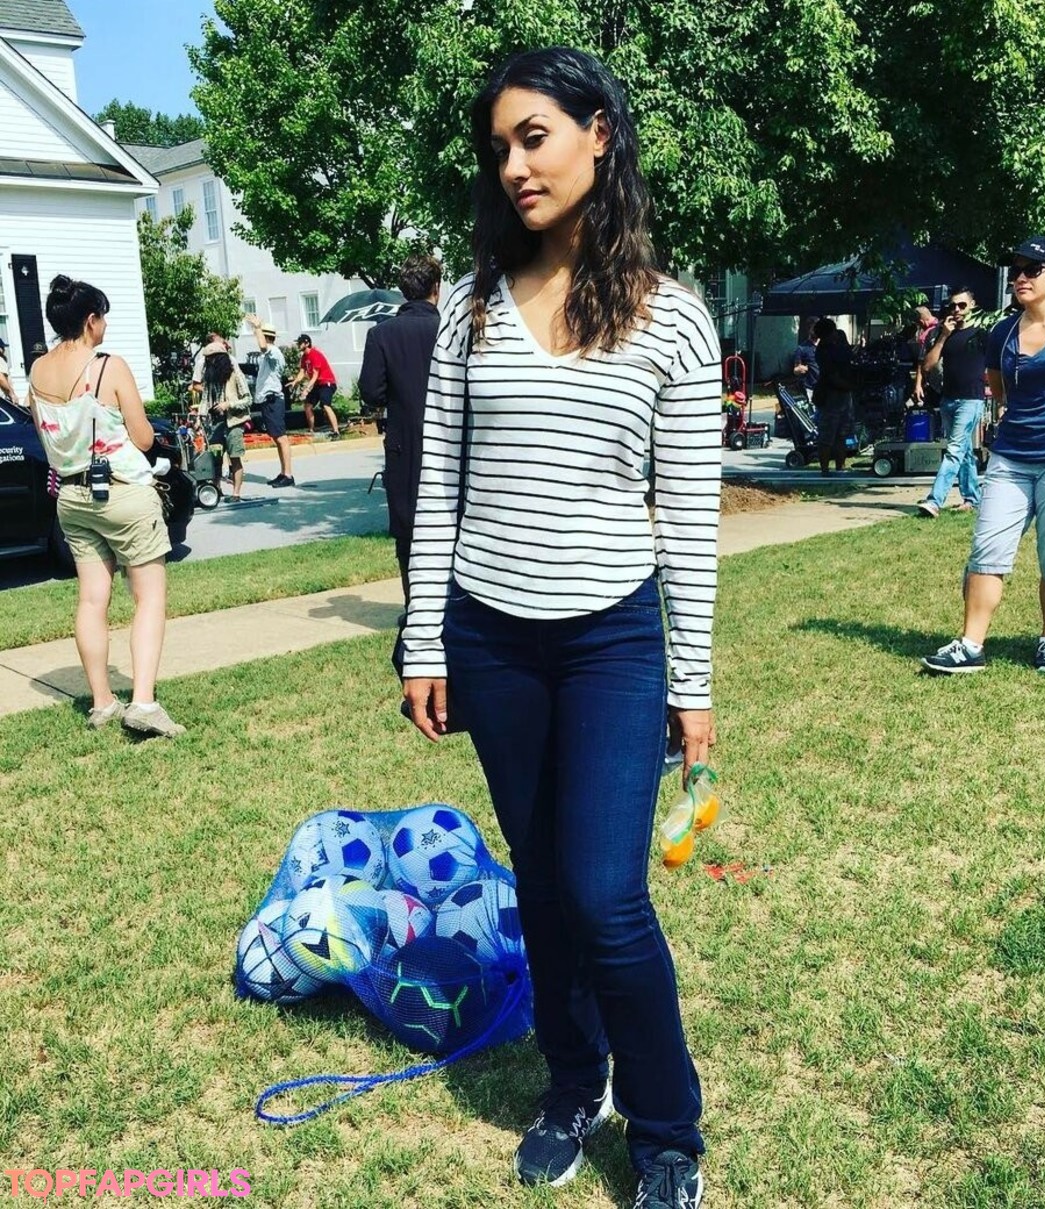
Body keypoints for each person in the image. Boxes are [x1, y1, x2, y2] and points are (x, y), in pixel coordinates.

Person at [401, 47, 722, 1209]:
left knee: (606, 896)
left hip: (610, 645)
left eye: (533, 137)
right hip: (491, 639)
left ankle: (668, 1129)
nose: (514, 166)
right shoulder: (470, 309)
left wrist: (693, 682)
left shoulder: (675, 319)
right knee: (541, 886)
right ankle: (572, 1083)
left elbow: (689, 520)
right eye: (499, 148)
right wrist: (424, 641)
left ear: (599, 133)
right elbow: (439, 488)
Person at [25, 275, 184, 737]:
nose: (106, 326)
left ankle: (102, 701)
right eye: (104, 317)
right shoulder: (108, 367)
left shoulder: (37, 371)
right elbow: (143, 437)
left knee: (92, 599)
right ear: (91, 320)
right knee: (148, 596)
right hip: (122, 491)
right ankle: (144, 703)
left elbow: (45, 435)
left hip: (72, 496)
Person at [922, 236, 1045, 676]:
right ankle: (971, 644)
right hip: (1011, 457)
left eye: (1033, 269)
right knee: (987, 549)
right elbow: (998, 386)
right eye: (1016, 270)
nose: (1021, 278)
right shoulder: (1003, 332)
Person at [359, 253, 442, 602]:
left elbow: (371, 391)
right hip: (451, 442)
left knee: (408, 531)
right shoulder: (451, 330)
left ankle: (415, 604)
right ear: (436, 288)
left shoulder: (381, 334)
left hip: (404, 445)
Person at [916, 287, 986, 517]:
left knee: (954, 450)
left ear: (972, 306)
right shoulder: (943, 333)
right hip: (948, 399)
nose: (957, 310)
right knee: (963, 451)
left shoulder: (981, 333)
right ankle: (972, 498)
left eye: (962, 305)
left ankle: (934, 501)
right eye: (953, 305)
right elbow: (927, 365)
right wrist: (944, 336)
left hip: (971, 399)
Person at [246, 315, 293, 487]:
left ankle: (288, 474)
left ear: (265, 336)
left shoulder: (273, 351)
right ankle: (283, 472)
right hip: (268, 400)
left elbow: (263, 347)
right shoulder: (268, 355)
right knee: (277, 437)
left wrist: (257, 327)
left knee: (281, 438)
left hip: (273, 400)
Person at [201, 346, 252, 501]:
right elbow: (205, 400)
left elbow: (248, 399)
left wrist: (228, 404)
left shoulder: (236, 374)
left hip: (234, 422)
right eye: (208, 359)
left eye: (212, 358)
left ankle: (236, 493)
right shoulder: (209, 377)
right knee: (215, 457)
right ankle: (217, 489)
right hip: (216, 422)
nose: (210, 362)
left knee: (234, 457)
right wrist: (200, 417)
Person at [812, 317, 855, 474]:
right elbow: (832, 376)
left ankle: (840, 466)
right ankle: (825, 469)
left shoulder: (837, 346)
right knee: (827, 435)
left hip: (842, 395)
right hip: (830, 396)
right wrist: (850, 386)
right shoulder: (824, 351)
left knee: (841, 434)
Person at [290, 334, 342, 439]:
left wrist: (307, 389)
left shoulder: (315, 354)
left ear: (307, 343)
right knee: (307, 406)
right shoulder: (304, 357)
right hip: (318, 384)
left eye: (300, 343)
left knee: (325, 405)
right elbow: (302, 372)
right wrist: (295, 381)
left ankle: (336, 431)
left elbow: (315, 375)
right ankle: (312, 430)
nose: (298, 345)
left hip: (327, 383)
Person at [791, 317, 820, 402]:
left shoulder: (825, 345)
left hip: (826, 387)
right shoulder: (802, 348)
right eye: (814, 328)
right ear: (809, 329)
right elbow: (795, 369)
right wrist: (800, 369)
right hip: (810, 389)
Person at [0, 337, 13, 403]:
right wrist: (12, 394)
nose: (4, 349)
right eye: (2, 347)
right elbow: (1, 379)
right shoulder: (0, 360)